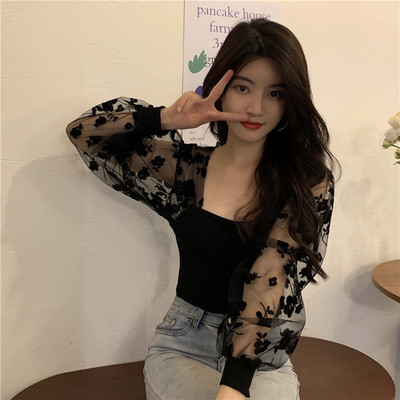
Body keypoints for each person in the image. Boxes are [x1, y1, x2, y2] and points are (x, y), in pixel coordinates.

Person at [66, 19, 336, 400]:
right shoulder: (185, 169)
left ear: (291, 101)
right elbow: (83, 134)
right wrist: (165, 118)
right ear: (220, 89)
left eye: (275, 93)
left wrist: (234, 386)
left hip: (259, 355)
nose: (256, 107)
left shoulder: (306, 182)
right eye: (243, 87)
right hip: (183, 342)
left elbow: (270, 272)